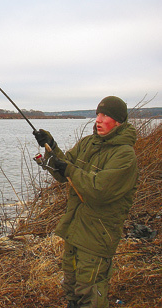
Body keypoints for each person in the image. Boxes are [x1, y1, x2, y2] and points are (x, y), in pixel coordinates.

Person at [33, 96, 138, 308]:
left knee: (89, 291)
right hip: (76, 228)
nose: (98, 119)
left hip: (98, 234)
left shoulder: (125, 155)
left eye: (105, 115)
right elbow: (63, 172)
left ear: (118, 121)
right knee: (71, 287)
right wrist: (50, 146)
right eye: (98, 114)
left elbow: (98, 190)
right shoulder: (88, 143)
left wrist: (68, 168)